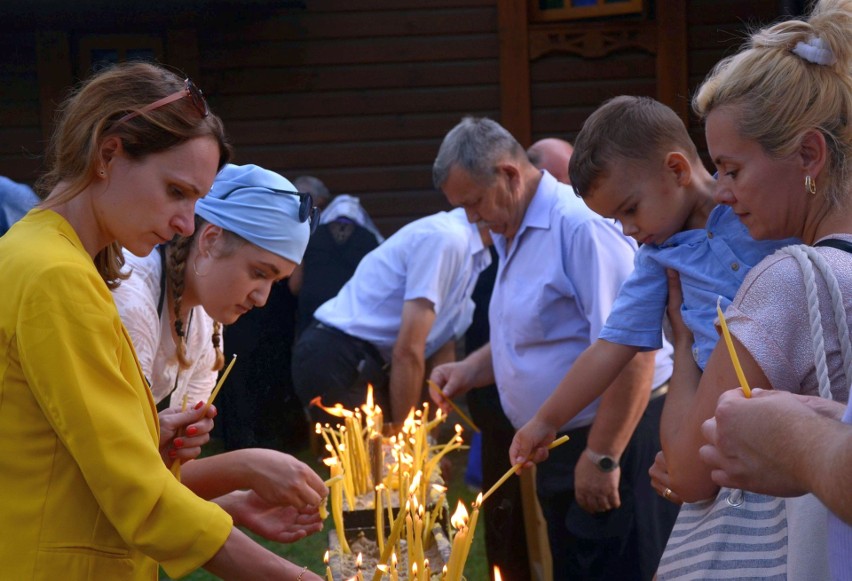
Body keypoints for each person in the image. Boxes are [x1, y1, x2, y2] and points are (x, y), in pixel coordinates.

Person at [0, 61, 322, 580]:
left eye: (196, 200)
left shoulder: (51, 259)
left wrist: (149, 436)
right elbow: (134, 493)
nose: (187, 224)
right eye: (176, 191)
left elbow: (62, 452)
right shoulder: (54, 275)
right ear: (109, 153)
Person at [653, 0, 852, 577]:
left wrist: (687, 344)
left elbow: (688, 473)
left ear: (808, 154)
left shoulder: (787, 280)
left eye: (732, 169)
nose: (719, 192)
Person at [430, 116, 674, 581]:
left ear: (508, 174)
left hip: (610, 438)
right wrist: (470, 369)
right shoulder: (512, 229)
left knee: (620, 569)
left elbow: (634, 348)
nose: (472, 218)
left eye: (474, 202)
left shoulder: (578, 226)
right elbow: (539, 334)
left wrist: (603, 455)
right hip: (560, 443)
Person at [510, 96, 794, 491]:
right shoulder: (658, 258)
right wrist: (546, 420)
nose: (627, 230)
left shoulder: (754, 201)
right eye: (615, 219)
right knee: (687, 483)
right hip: (724, 408)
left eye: (630, 210)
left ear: (676, 169)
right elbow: (612, 345)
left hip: (803, 385)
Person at [112, 161, 328, 526]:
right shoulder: (131, 300)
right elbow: (118, 476)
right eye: (259, 273)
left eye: (275, 282)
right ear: (210, 240)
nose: (261, 298)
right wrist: (244, 466)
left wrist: (231, 503)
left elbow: (166, 472)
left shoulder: (204, 319)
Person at [292, 207, 493, 424]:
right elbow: (407, 351)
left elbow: (443, 347)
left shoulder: (475, 253)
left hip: (360, 359)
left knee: (387, 454)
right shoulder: (446, 238)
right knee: (373, 455)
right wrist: (405, 440)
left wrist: (429, 440)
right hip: (335, 354)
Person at [290, 193, 383, 337]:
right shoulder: (369, 240)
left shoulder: (311, 235)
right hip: (352, 312)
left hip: (311, 312)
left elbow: (294, 285)